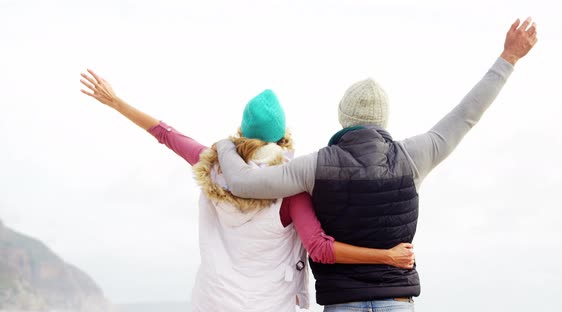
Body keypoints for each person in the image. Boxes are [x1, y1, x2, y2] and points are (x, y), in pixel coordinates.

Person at [214, 18, 538, 311]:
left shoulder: (313, 167)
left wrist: (226, 145)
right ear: (383, 118)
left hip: (342, 304)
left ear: (343, 117)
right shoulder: (415, 155)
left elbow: (242, 183)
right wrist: (508, 58)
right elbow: (468, 114)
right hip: (396, 302)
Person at [79, 76, 416, 312]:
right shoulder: (291, 188)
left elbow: (166, 135)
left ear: (242, 130)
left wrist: (116, 102)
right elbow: (320, 248)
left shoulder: (213, 165)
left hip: (212, 302)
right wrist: (386, 255)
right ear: (283, 135)